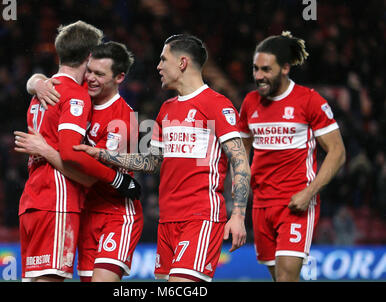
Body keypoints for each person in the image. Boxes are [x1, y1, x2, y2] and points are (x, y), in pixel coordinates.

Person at [76, 34, 251, 282]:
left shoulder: (217, 104)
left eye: (163, 59)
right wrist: (104, 155)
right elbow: (151, 162)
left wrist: (238, 215)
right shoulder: (166, 109)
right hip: (167, 220)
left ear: (182, 63)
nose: (158, 66)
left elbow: (240, 162)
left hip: (201, 217)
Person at [16, 22, 140, 282]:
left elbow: (92, 172)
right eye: (91, 70)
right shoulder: (76, 94)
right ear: (88, 58)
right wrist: (36, 82)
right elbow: (75, 160)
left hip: (111, 212)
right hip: (71, 205)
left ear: (118, 78)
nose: (92, 78)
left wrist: (36, 83)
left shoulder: (122, 117)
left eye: (100, 74)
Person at [237, 31, 346, 281]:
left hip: (296, 202)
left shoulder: (309, 101)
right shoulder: (250, 103)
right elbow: (241, 152)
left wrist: (309, 193)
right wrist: (240, 202)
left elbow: (337, 152)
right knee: (281, 278)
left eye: (266, 69)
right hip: (262, 204)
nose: (258, 76)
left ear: (285, 68)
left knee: (286, 276)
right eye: (255, 69)